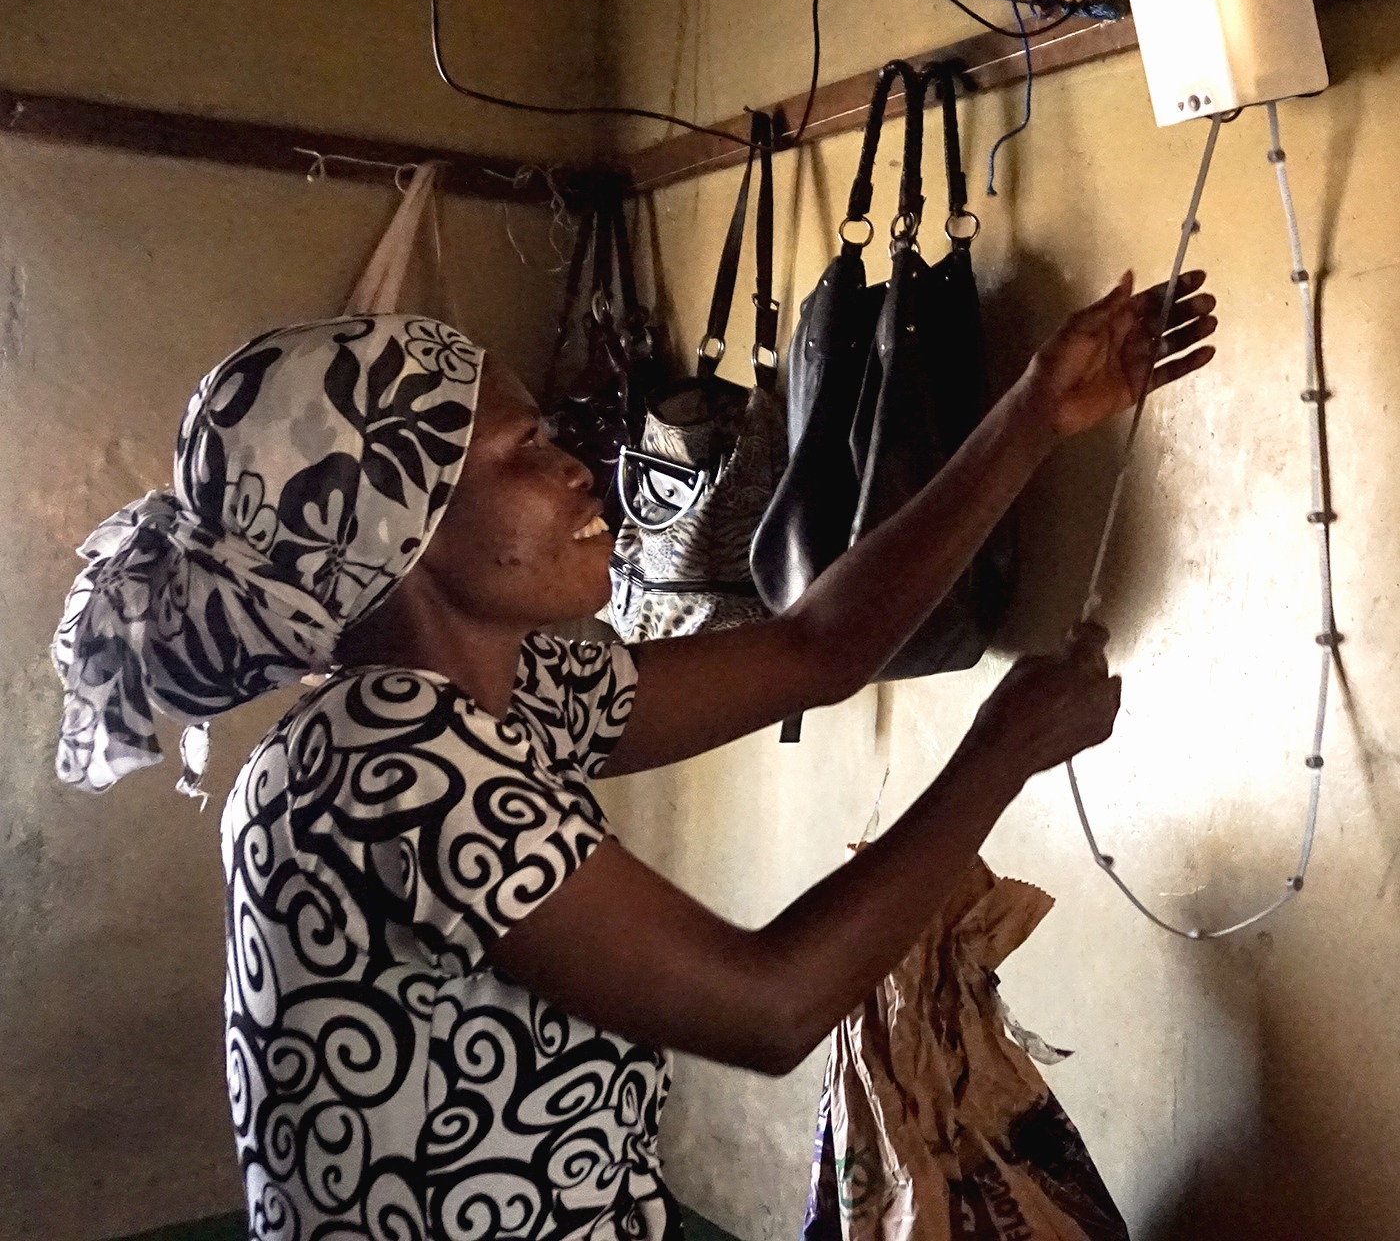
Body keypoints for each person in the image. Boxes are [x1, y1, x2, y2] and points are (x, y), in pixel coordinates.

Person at [52, 268, 1215, 1240]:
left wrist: (1027, 417)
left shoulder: (509, 688)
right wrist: (997, 756)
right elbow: (767, 1007)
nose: (576, 470)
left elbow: (817, 645)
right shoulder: (390, 759)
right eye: (523, 450)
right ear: (394, 527)